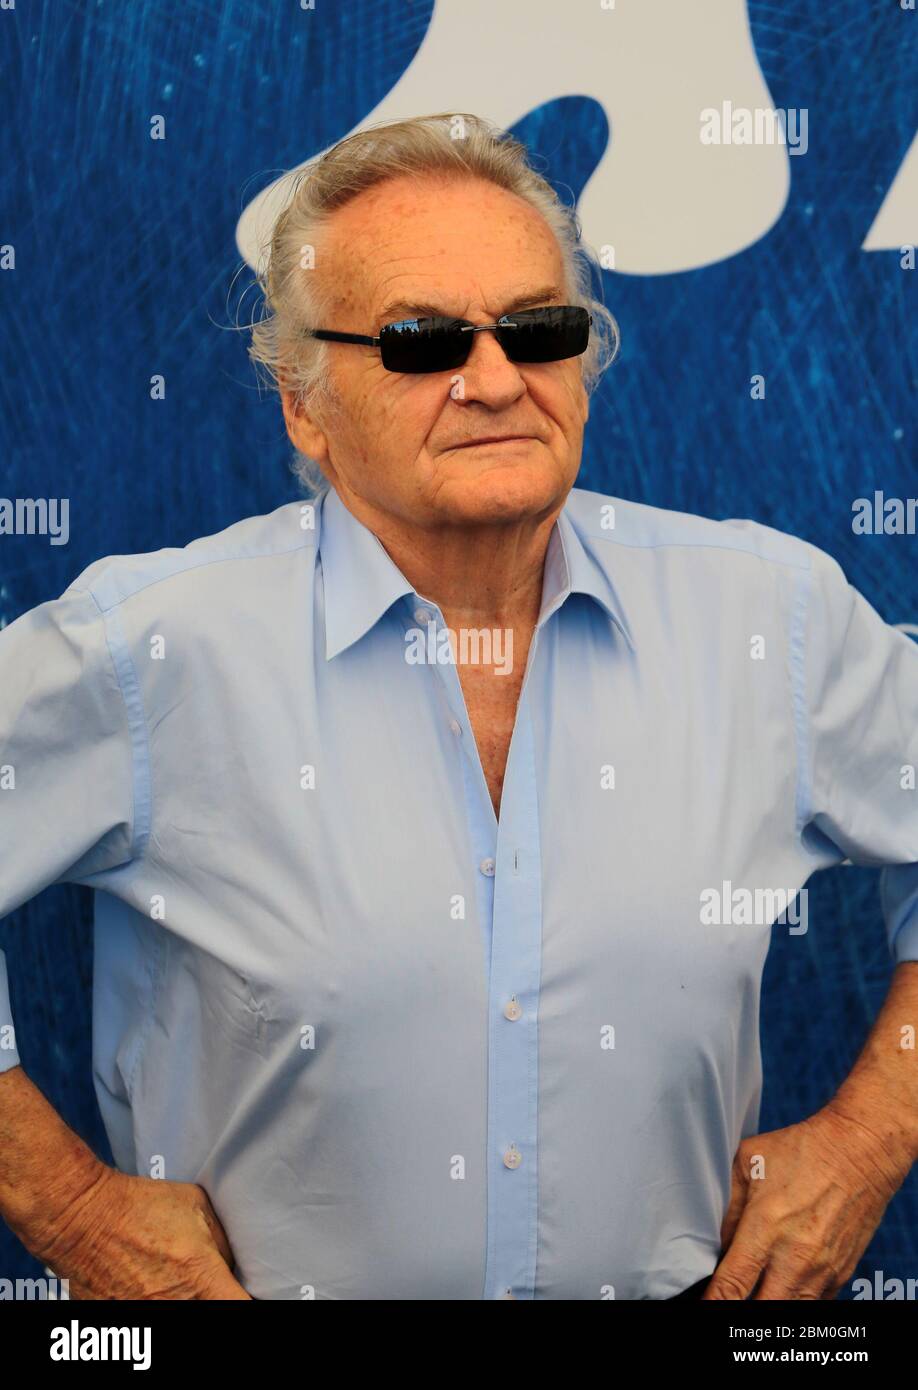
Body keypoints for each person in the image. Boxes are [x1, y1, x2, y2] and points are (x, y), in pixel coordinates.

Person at [1, 112, 916, 1301]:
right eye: (423, 341)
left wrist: (872, 1135)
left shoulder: (769, 621)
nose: (495, 382)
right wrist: (65, 1208)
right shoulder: (154, 649)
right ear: (301, 403)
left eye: (538, 328)